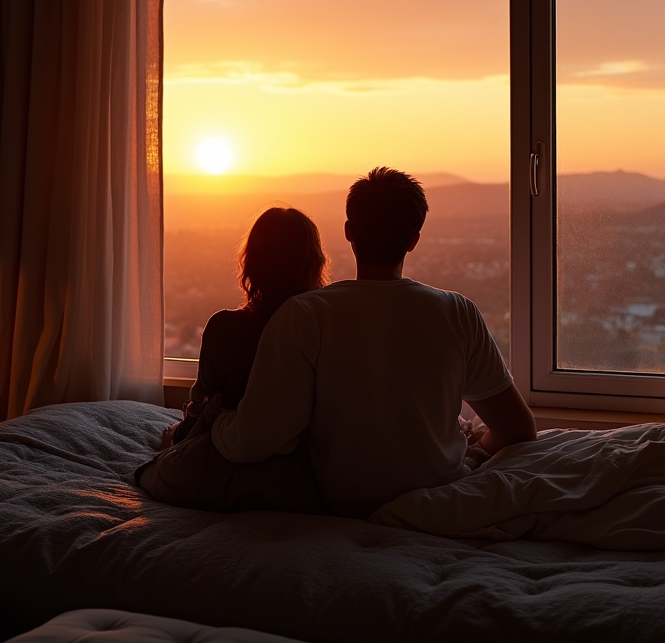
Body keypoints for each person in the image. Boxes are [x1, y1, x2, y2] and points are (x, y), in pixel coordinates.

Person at [211, 166, 538, 518]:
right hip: (443, 494)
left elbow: (258, 438)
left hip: (346, 505)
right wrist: (472, 454)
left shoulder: (305, 314)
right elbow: (517, 428)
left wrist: (215, 423)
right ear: (414, 239)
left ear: (349, 231)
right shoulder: (457, 311)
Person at [136, 205, 329, 512]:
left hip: (223, 469)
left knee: (155, 464)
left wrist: (177, 435)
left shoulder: (225, 328)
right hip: (299, 478)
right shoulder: (324, 329)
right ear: (313, 263)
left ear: (252, 262)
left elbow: (200, 414)